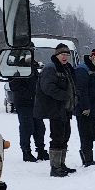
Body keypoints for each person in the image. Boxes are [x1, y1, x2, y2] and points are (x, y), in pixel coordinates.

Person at [33, 44, 78, 178]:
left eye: (67, 55)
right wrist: (65, 96)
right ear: (56, 55)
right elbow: (47, 88)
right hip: (55, 108)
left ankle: (61, 164)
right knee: (57, 137)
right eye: (62, 54)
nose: (65, 57)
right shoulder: (50, 68)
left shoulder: (67, 68)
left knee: (65, 136)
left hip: (65, 108)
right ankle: (55, 167)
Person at [5, 58, 47, 162]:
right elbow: (14, 86)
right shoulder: (17, 67)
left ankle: (41, 150)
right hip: (23, 103)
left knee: (39, 127)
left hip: (35, 103)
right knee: (27, 127)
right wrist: (31, 95)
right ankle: (26, 151)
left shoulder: (33, 65)